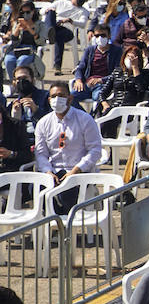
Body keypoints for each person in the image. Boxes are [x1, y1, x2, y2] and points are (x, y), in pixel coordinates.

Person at [33, 81, 102, 214]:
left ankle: (67, 226)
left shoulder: (84, 119)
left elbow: (95, 150)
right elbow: (41, 153)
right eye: (53, 96)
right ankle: (57, 221)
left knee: (66, 192)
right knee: (35, 188)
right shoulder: (43, 123)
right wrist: (48, 172)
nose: (56, 99)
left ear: (70, 98)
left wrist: (76, 170)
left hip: (79, 171)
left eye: (61, 95)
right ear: (49, 100)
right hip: (54, 171)